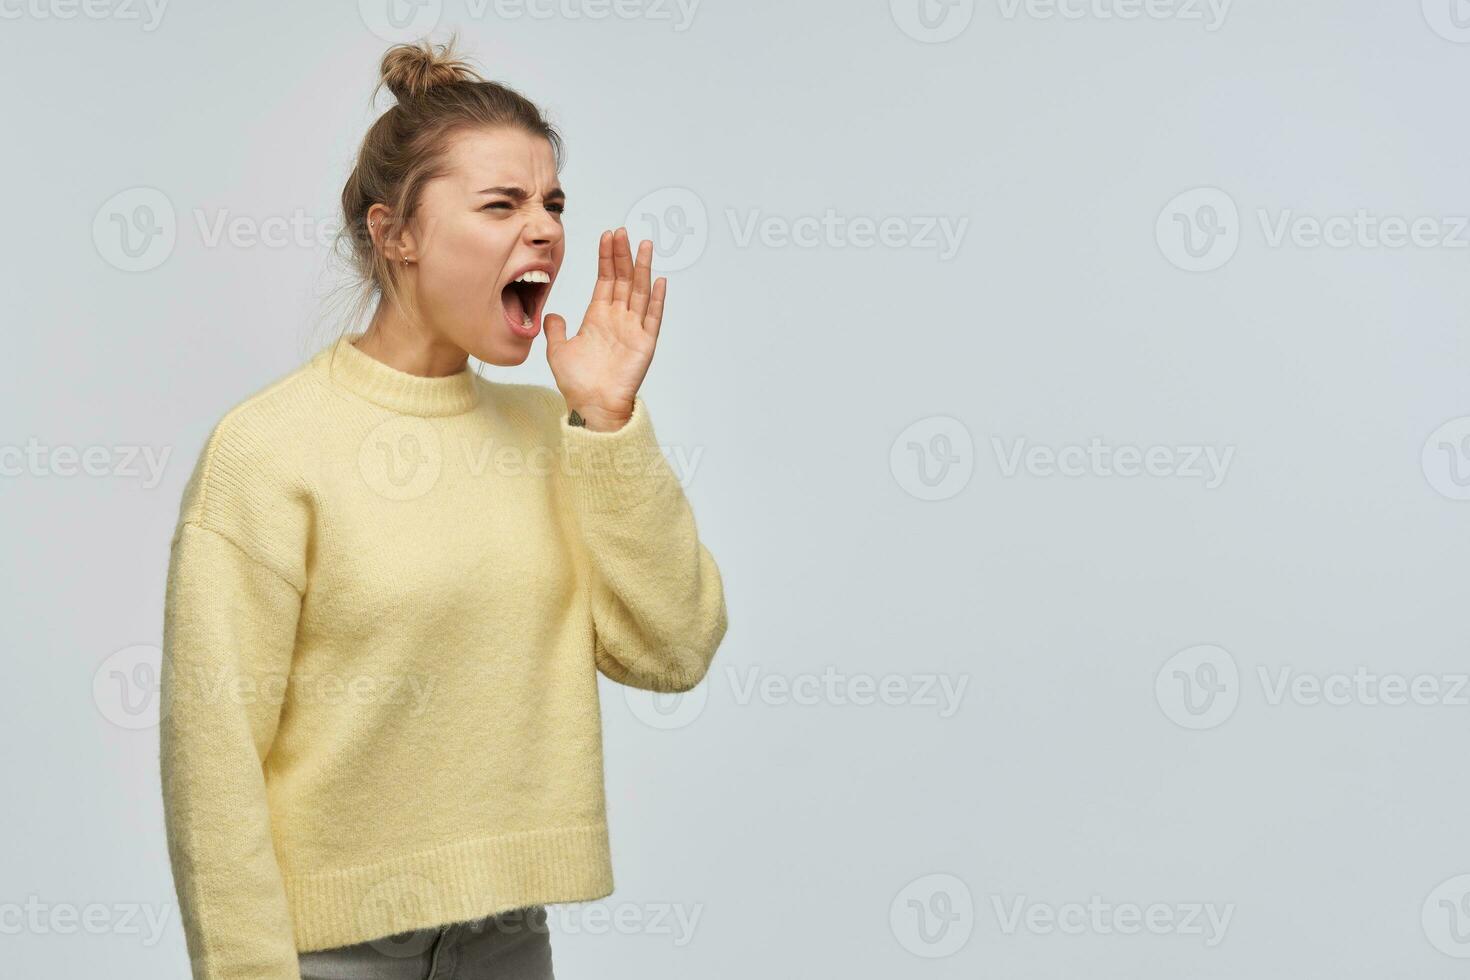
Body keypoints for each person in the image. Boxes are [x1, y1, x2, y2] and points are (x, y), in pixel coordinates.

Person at [158, 33, 729, 979]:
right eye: (501, 204)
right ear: (396, 236)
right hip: (329, 955)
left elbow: (673, 649)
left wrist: (608, 420)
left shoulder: (560, 436)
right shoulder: (268, 451)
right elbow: (211, 764)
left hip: (508, 941)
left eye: (552, 204)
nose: (544, 229)